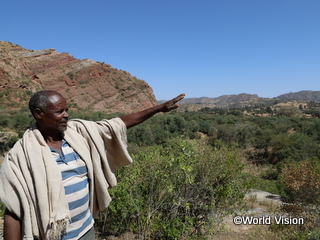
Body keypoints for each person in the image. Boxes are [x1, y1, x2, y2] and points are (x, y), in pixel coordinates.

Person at [0, 90, 185, 240]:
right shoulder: (20, 157)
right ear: (39, 114)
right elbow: (13, 211)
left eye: (66, 109)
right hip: (52, 236)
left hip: (86, 229)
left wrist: (158, 108)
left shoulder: (77, 133)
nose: (66, 115)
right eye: (59, 112)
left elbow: (117, 124)